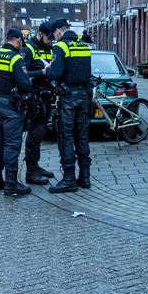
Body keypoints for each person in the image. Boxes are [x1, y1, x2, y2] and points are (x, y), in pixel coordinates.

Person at [0, 28, 32, 196]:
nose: (21, 46)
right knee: (12, 144)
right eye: (21, 43)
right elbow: (25, 84)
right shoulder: (15, 59)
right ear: (18, 40)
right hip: (11, 107)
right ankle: (11, 183)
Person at [48, 18, 93, 193]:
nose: (54, 38)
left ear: (58, 31)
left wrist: (48, 70)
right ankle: (85, 177)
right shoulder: (83, 45)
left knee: (65, 136)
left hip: (68, 99)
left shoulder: (60, 47)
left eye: (54, 35)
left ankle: (68, 179)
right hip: (84, 96)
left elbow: (56, 72)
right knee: (82, 136)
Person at [21, 21, 56, 185]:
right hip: (34, 98)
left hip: (46, 95)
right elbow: (23, 73)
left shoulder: (49, 48)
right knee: (34, 134)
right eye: (48, 38)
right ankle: (30, 172)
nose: (51, 41)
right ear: (40, 34)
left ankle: (36, 166)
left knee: (40, 133)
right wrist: (41, 72)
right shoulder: (28, 49)